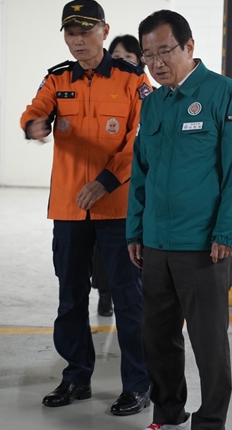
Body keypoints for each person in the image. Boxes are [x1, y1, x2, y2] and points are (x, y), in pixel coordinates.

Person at [20, 0, 152, 416]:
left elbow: (141, 138)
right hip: (70, 208)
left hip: (117, 208)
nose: (77, 40)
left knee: (129, 299)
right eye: (70, 33)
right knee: (71, 296)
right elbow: (34, 111)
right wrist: (33, 126)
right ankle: (77, 376)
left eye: (85, 31)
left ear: (104, 31)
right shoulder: (57, 78)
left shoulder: (133, 80)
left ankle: (138, 384)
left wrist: (106, 181)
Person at [127, 10, 232, 430]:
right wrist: (135, 230)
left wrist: (227, 231)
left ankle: (211, 419)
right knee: (157, 337)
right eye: (148, 56)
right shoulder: (154, 104)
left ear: (189, 47)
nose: (156, 63)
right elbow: (141, 173)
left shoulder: (225, 95)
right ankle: (168, 411)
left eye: (165, 52)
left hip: (203, 245)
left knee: (208, 341)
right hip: (156, 244)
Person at [91, 33, 145, 317]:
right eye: (116, 57)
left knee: (131, 252)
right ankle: (104, 294)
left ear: (140, 61)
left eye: (128, 57)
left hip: (131, 190)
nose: (122, 62)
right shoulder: (99, 88)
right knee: (102, 251)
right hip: (100, 191)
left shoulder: (146, 93)